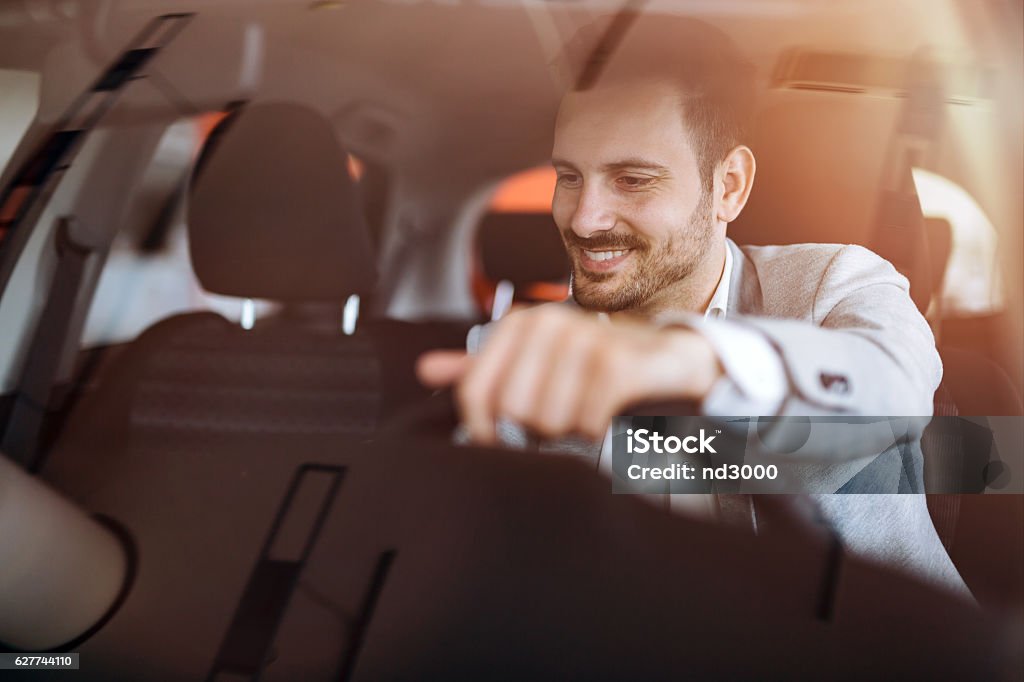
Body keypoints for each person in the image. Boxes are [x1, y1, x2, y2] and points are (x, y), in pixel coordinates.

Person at [417, 18, 967, 594]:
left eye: (632, 179)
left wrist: (690, 360)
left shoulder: (834, 284)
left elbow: (894, 390)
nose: (583, 218)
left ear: (729, 185)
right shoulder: (517, 348)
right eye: (569, 177)